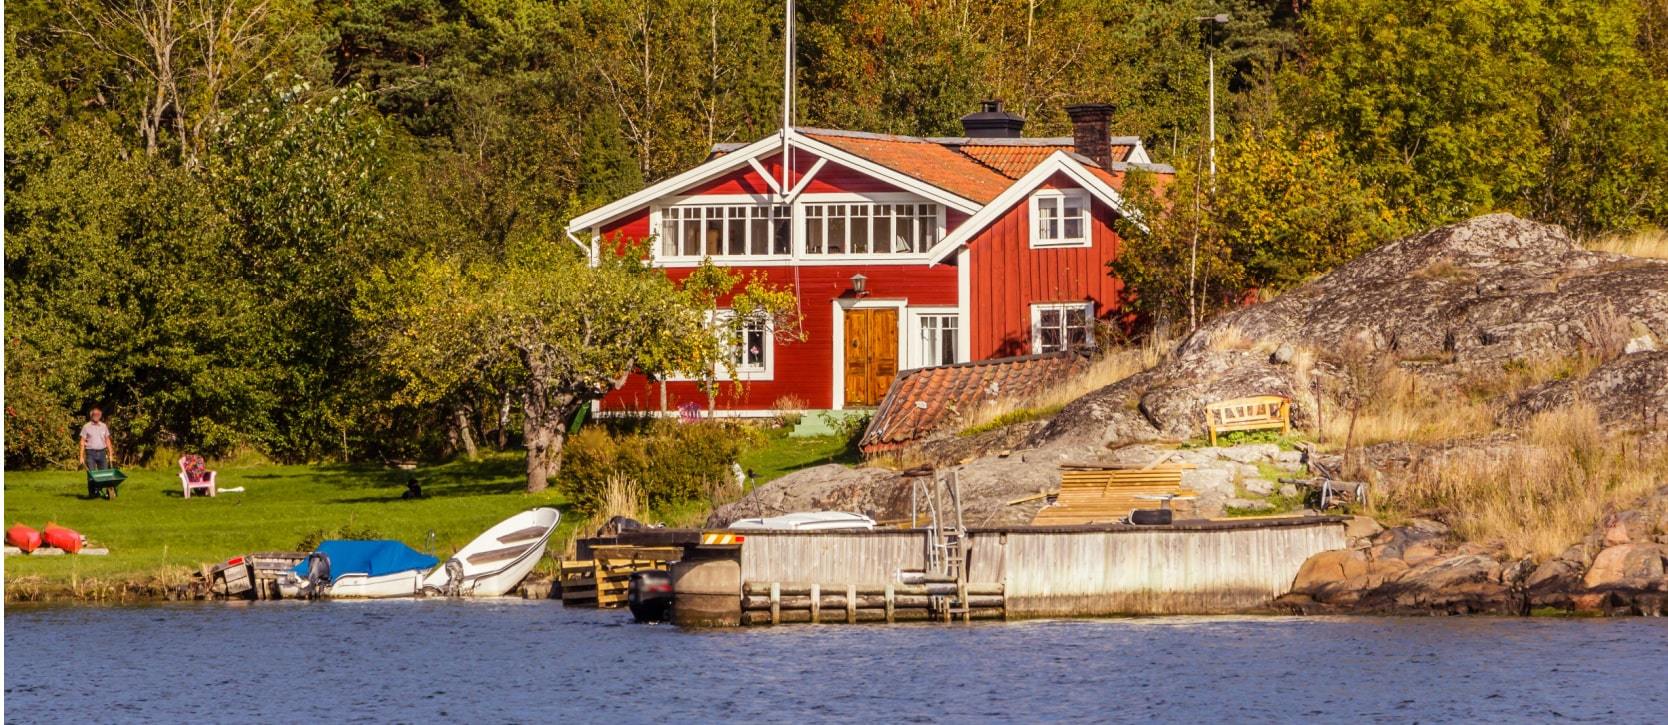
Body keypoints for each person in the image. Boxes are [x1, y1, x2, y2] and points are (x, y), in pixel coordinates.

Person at [79, 407, 115, 472]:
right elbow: (82, 442)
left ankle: (103, 482)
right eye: (94, 414)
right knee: (92, 475)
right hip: (90, 453)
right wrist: (81, 457)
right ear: (91, 415)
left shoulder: (104, 426)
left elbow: (107, 440)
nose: (96, 416)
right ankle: (93, 482)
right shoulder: (86, 426)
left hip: (102, 453)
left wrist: (110, 454)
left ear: (100, 416)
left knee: (104, 473)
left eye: (98, 414)